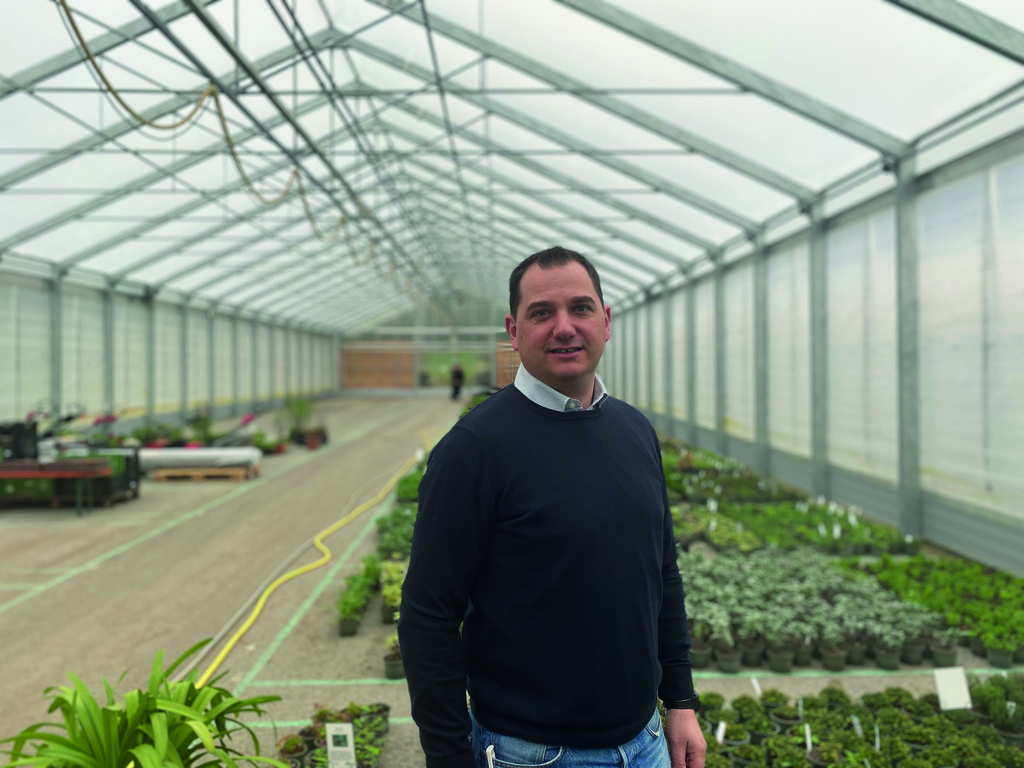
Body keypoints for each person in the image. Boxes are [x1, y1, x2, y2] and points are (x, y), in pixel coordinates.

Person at [399, 246, 705, 768]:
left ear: (605, 321)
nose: (564, 327)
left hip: (647, 741)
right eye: (542, 313)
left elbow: (662, 572)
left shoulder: (634, 430)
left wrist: (680, 700)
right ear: (513, 331)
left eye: (581, 308)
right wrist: (448, 756)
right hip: (530, 753)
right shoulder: (476, 448)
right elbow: (427, 615)